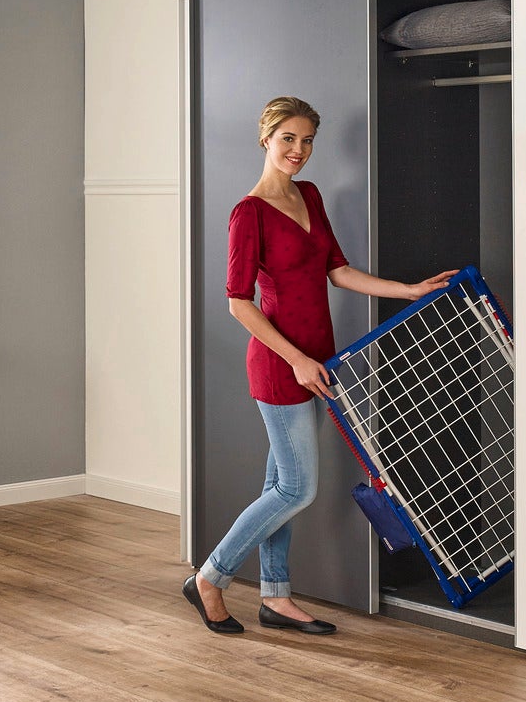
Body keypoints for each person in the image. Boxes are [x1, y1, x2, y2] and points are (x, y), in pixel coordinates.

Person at [182, 96, 453, 636]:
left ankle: (275, 596)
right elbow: (238, 301)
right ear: (266, 138)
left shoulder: (309, 196)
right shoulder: (249, 212)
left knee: (279, 484)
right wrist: (299, 359)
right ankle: (211, 577)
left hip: (317, 361)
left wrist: (407, 290)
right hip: (282, 363)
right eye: (289, 139)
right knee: (297, 489)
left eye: (307, 141)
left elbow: (337, 269)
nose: (299, 151)